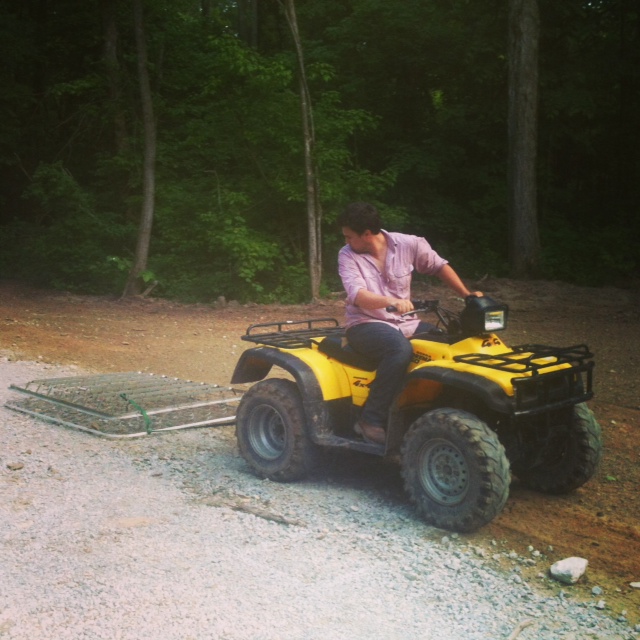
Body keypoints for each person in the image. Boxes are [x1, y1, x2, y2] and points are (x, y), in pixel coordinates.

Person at [337, 201, 482, 445]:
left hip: (406, 323)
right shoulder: (347, 255)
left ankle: (437, 410)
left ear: (367, 234)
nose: (346, 241)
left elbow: (439, 266)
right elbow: (358, 295)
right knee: (398, 350)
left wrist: (467, 295)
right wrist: (391, 301)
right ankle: (370, 420)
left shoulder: (409, 244)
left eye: (349, 236)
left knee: (447, 345)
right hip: (365, 322)